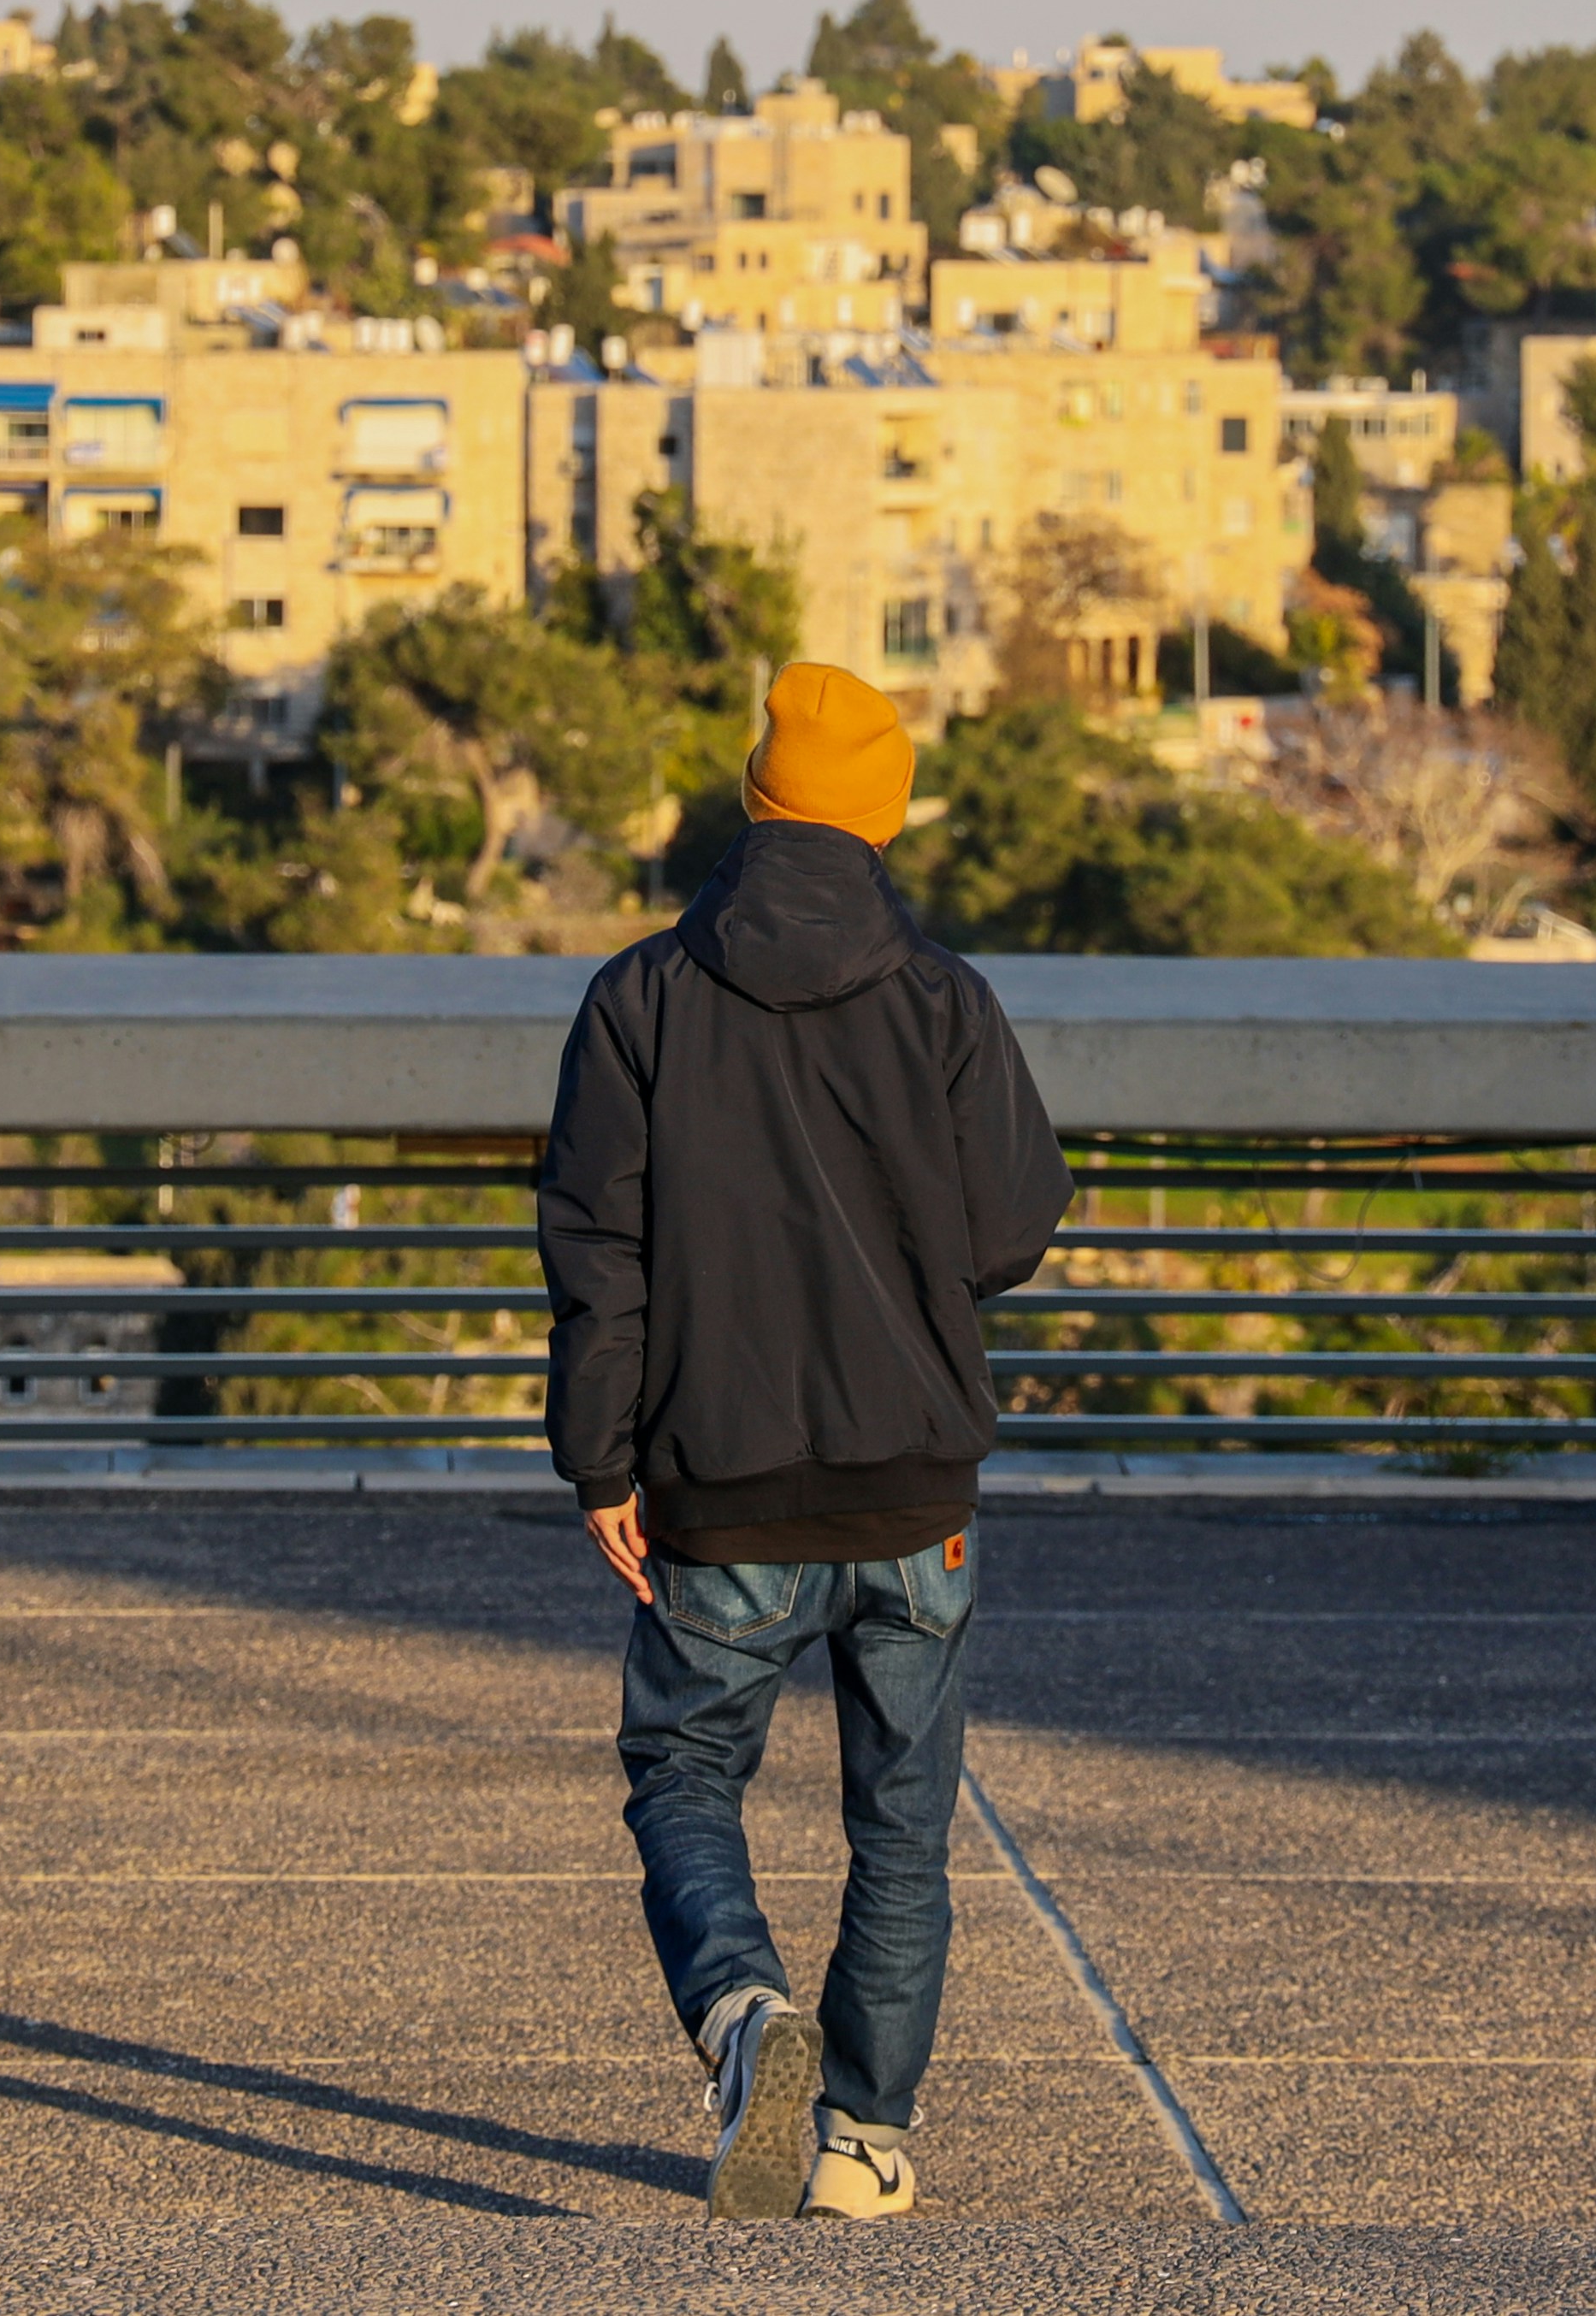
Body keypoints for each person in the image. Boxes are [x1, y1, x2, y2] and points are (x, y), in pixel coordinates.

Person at [538, 662, 1072, 2222]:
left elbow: (596, 1246)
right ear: (884, 817)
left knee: (684, 1764)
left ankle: (743, 2013)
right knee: (901, 1817)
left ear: (759, 801)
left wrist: (600, 1463)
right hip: (917, 1486)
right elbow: (1017, 1225)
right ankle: (861, 2143)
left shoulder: (640, 994)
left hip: (717, 1479)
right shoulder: (944, 998)